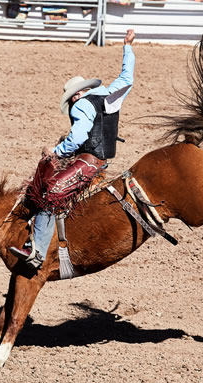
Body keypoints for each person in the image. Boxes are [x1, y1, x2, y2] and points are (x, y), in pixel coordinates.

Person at [10, 29, 136, 270]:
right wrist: (127, 46)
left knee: (48, 194)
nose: (71, 104)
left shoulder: (81, 105)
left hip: (87, 162)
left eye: (71, 99)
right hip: (103, 161)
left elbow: (78, 137)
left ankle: (36, 251)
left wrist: (56, 151)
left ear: (77, 94)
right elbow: (127, 77)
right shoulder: (108, 96)